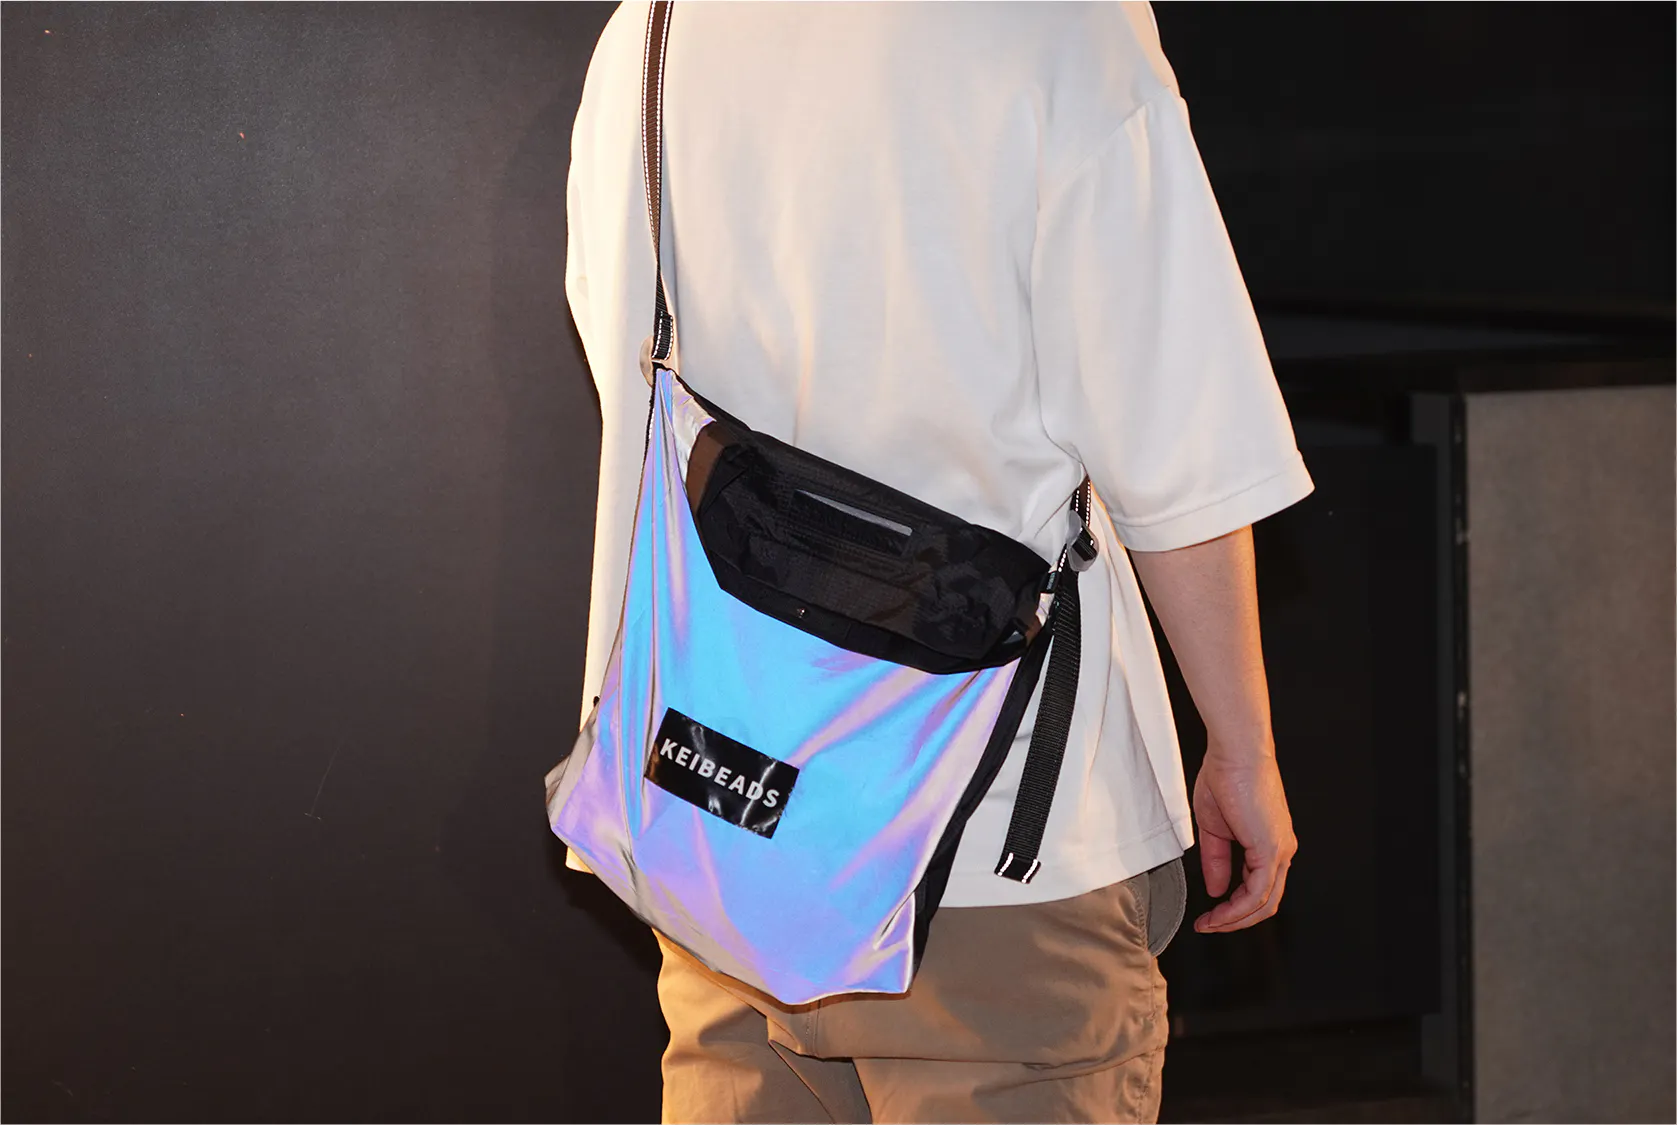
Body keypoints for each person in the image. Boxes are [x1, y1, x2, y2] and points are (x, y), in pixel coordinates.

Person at [562, 3, 1310, 1122]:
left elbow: (623, 357)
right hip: (989, 856)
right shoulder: (1062, 30)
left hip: (727, 828)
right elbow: (1181, 450)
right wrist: (1240, 747)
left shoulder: (657, 24)